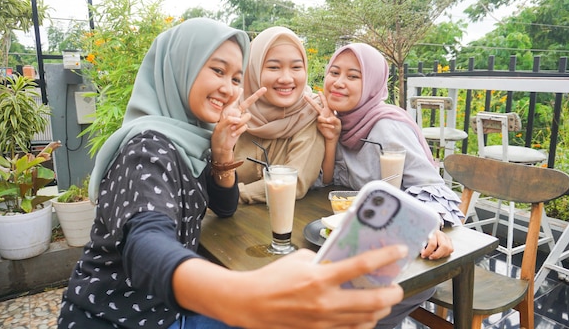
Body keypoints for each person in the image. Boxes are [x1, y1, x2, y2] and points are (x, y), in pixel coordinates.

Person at [57, 19, 408, 329]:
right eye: (217, 70)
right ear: (180, 68)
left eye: (236, 77)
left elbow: (223, 208)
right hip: (123, 317)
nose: (228, 87)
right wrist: (242, 295)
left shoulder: (188, 139)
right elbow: (144, 244)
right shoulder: (148, 148)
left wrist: (222, 155)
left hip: (162, 308)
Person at [306, 42, 465, 328]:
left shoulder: (386, 127)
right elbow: (331, 187)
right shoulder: (339, 121)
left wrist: (431, 228)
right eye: (334, 72)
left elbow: (434, 188)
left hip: (407, 265)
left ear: (372, 84)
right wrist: (331, 139)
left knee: (336, 313)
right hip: (361, 249)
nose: (339, 83)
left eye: (353, 76)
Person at [234, 26, 324, 204]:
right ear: (253, 69)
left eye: (296, 67)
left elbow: (294, 182)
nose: (286, 78)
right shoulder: (235, 109)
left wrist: (229, 197)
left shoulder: (309, 112)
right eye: (274, 67)